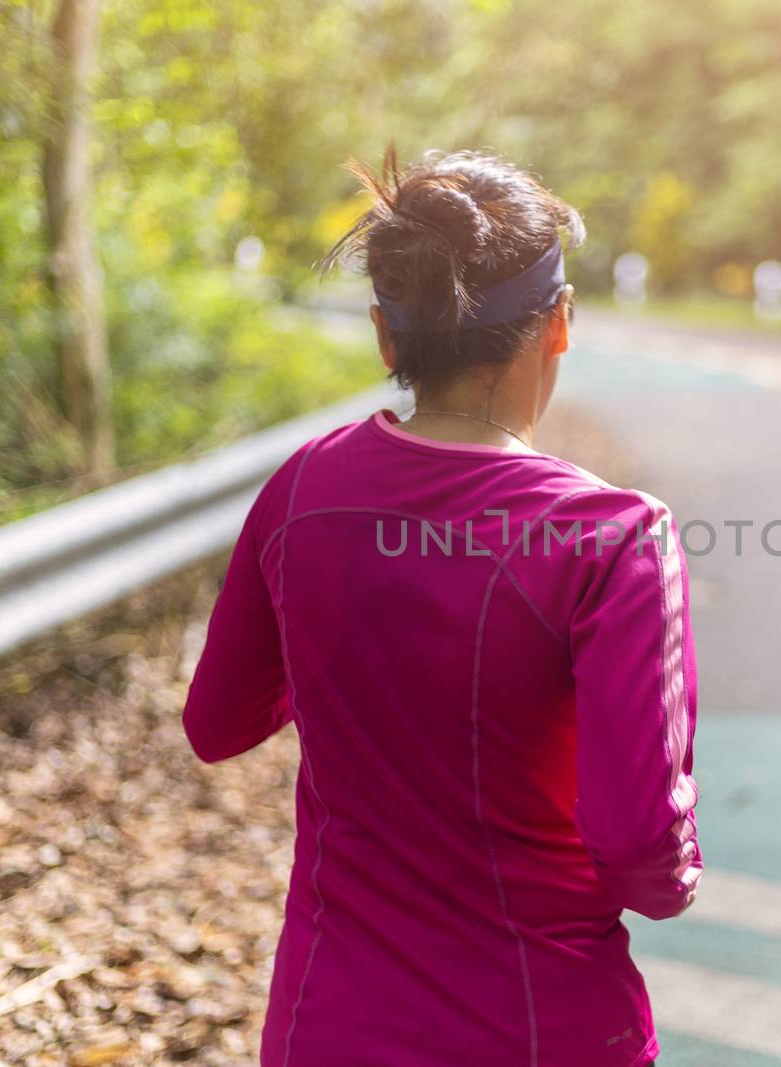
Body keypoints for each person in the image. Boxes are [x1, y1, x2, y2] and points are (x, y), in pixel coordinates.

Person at [182, 146, 700, 1067]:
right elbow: (644, 853)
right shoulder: (612, 536)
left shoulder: (301, 492)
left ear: (386, 336)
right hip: (545, 1025)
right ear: (561, 323)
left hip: (325, 1022)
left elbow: (218, 723)